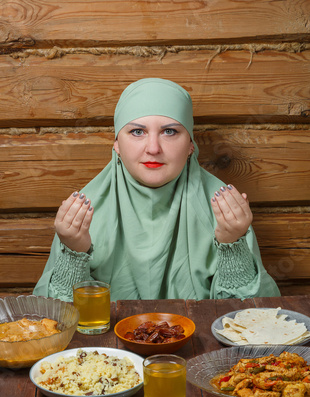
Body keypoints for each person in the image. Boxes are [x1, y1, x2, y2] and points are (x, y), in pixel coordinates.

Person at [34, 78, 280, 301]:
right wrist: (75, 252)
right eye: (137, 132)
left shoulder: (223, 204)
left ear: (191, 145)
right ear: (117, 145)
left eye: (169, 131)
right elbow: (56, 320)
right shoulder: (84, 208)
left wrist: (231, 245)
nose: (153, 148)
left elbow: (250, 320)